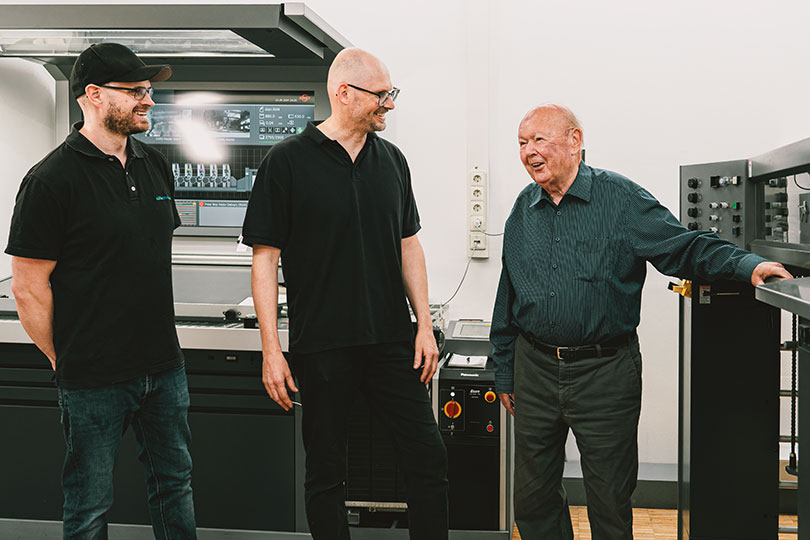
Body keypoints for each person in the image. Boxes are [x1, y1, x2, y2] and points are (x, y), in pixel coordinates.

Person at [490, 103, 792, 540]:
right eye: (521, 143)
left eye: (539, 139)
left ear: (575, 140)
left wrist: (746, 266)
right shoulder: (524, 208)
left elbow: (684, 248)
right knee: (533, 498)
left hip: (604, 372)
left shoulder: (620, 198)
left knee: (609, 498)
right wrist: (505, 369)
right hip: (533, 368)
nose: (528, 151)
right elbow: (509, 291)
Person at [242, 48, 449, 540]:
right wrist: (272, 350)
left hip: (391, 343)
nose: (389, 105)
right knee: (326, 474)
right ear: (343, 93)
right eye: (382, 96)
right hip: (323, 346)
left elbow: (408, 245)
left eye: (390, 94)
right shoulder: (286, 161)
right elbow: (264, 259)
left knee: (428, 460)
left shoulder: (391, 160)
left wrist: (423, 324)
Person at [6, 43, 196, 539]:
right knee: (89, 502)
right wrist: (66, 359)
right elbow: (28, 289)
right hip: (93, 378)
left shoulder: (154, 166)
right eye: (135, 91)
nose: (148, 100)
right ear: (92, 95)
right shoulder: (50, 180)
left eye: (149, 90)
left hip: (164, 368)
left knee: (174, 486)